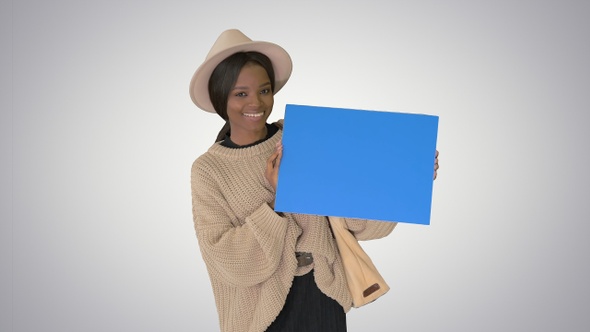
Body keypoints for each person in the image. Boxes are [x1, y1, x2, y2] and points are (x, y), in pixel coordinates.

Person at [189, 29, 439, 332]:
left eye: (264, 90)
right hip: (257, 313)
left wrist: (407, 177)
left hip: (322, 294)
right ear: (221, 97)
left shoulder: (301, 135)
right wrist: (278, 201)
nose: (255, 103)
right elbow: (226, 261)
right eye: (241, 93)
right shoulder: (209, 169)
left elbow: (355, 214)